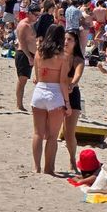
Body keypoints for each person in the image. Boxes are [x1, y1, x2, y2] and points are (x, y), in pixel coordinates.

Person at [31, 24, 71, 174]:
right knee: (53, 136)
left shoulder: (38, 53)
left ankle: (36, 167)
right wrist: (67, 103)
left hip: (39, 91)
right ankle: (49, 168)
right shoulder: (63, 56)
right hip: (54, 94)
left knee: (37, 133)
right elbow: (63, 82)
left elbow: (36, 77)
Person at [63, 30, 85, 170]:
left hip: (72, 93)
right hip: (58, 93)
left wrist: (73, 84)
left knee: (69, 132)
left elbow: (77, 74)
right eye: (64, 39)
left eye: (69, 39)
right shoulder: (58, 56)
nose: (66, 42)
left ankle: (72, 159)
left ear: (75, 42)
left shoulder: (78, 59)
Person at [15, 3, 40, 110]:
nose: (37, 17)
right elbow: (22, 42)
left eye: (38, 15)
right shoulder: (24, 25)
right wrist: (29, 56)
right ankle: (19, 104)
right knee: (22, 80)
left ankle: (20, 104)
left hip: (31, 54)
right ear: (29, 13)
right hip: (23, 54)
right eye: (35, 14)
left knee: (27, 79)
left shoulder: (33, 24)